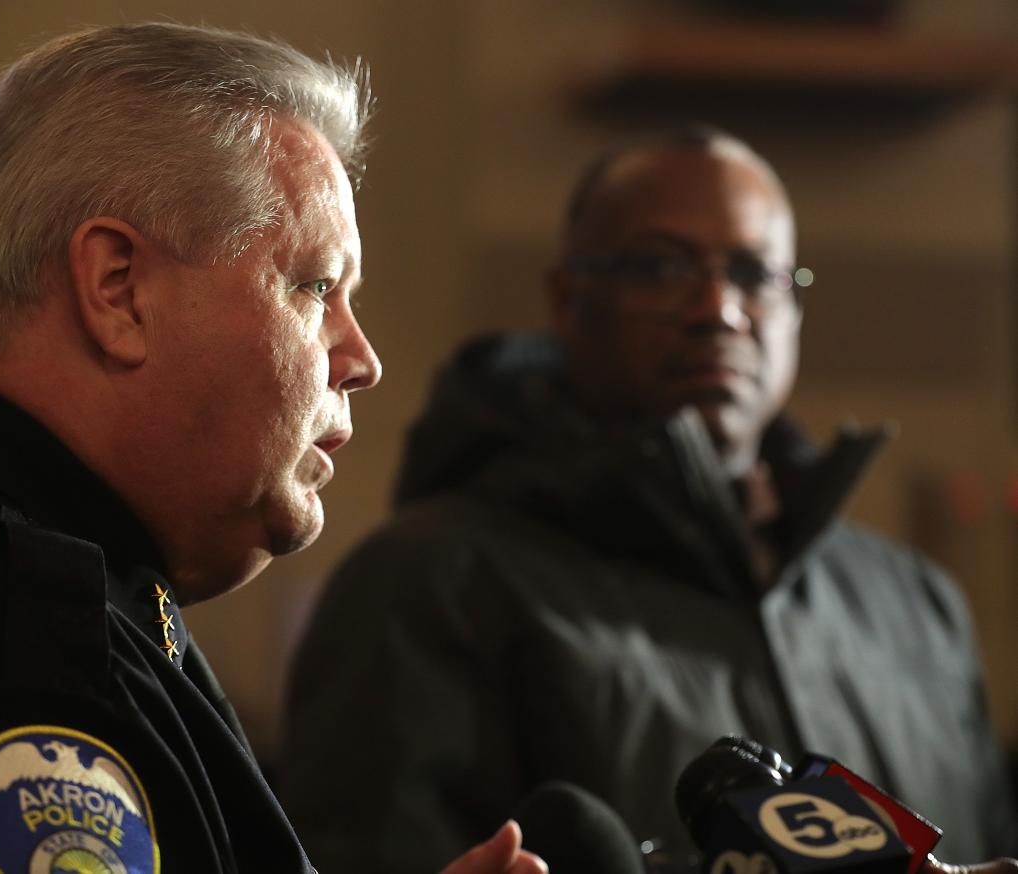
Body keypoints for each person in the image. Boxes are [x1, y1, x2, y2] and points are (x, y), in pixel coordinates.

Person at [0, 23, 547, 874]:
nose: (360, 359)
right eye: (314, 286)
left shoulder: (5, 574)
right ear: (119, 291)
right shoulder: (8, 642)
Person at [280, 127, 1018, 873]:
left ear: (793, 310)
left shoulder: (916, 605)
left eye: (756, 273)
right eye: (661, 267)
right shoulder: (428, 583)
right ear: (569, 300)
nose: (717, 310)